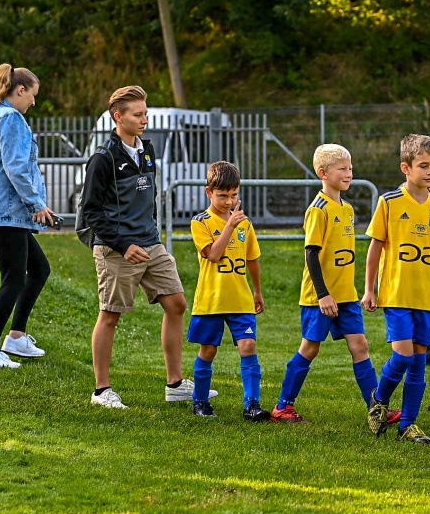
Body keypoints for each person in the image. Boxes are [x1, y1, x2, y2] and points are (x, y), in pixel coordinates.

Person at [79, 84, 209, 409]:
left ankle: (175, 384)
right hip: (116, 249)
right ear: (117, 116)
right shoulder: (103, 159)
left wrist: (149, 238)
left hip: (151, 244)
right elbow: (91, 212)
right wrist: (123, 245)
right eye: (138, 114)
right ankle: (101, 391)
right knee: (110, 315)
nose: (144, 120)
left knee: (177, 303)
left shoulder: (148, 150)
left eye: (145, 114)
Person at [272, 143, 380, 422]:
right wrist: (323, 294)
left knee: (360, 345)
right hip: (321, 297)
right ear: (323, 172)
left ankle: (376, 408)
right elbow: (311, 254)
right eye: (342, 168)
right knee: (310, 348)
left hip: (346, 295)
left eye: (351, 168)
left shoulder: (347, 208)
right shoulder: (318, 209)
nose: (349, 173)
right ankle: (283, 406)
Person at [362, 134, 430, 444]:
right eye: (424, 166)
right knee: (402, 356)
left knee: (418, 362)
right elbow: (376, 248)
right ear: (406, 167)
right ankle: (380, 399)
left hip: (425, 298)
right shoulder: (389, 202)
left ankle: (409, 425)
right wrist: (370, 289)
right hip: (397, 294)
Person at [0, 63, 54, 370]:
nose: (33, 101)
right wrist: (36, 205)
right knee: (14, 278)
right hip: (7, 210)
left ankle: (16, 336)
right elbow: (15, 167)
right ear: (20, 90)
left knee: (39, 269)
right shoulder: (10, 118)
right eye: (32, 95)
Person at [188, 160, 267, 420]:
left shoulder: (245, 224)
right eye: (222, 196)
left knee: (248, 345)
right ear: (209, 192)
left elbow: (252, 259)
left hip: (240, 299)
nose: (229, 201)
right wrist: (230, 226)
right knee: (208, 350)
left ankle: (252, 405)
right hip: (211, 300)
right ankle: (200, 402)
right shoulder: (201, 222)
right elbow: (213, 254)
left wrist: (257, 291)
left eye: (234, 195)